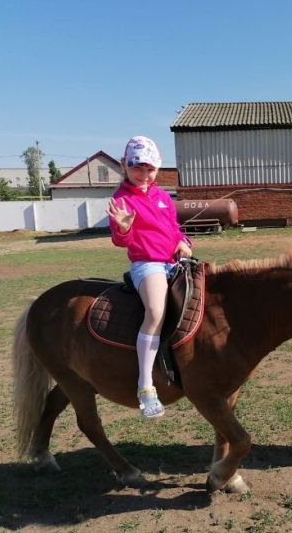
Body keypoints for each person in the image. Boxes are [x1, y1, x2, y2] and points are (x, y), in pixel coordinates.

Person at [107, 135, 193, 419]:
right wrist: (122, 228)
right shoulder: (121, 200)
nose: (144, 175)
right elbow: (121, 241)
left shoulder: (163, 197)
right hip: (148, 265)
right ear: (125, 166)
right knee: (155, 311)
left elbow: (174, 228)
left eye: (150, 169)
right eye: (137, 168)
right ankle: (146, 386)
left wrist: (183, 242)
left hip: (173, 261)